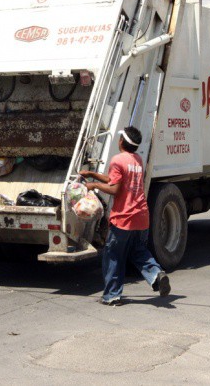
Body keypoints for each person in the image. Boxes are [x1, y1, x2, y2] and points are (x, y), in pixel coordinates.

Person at [79, 126, 170, 306]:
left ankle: (112, 295)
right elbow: (116, 179)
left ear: (122, 141)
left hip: (124, 218)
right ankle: (156, 274)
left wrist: (93, 185)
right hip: (141, 216)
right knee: (138, 251)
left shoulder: (117, 160)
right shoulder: (137, 160)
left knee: (113, 255)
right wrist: (92, 174)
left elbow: (115, 188)